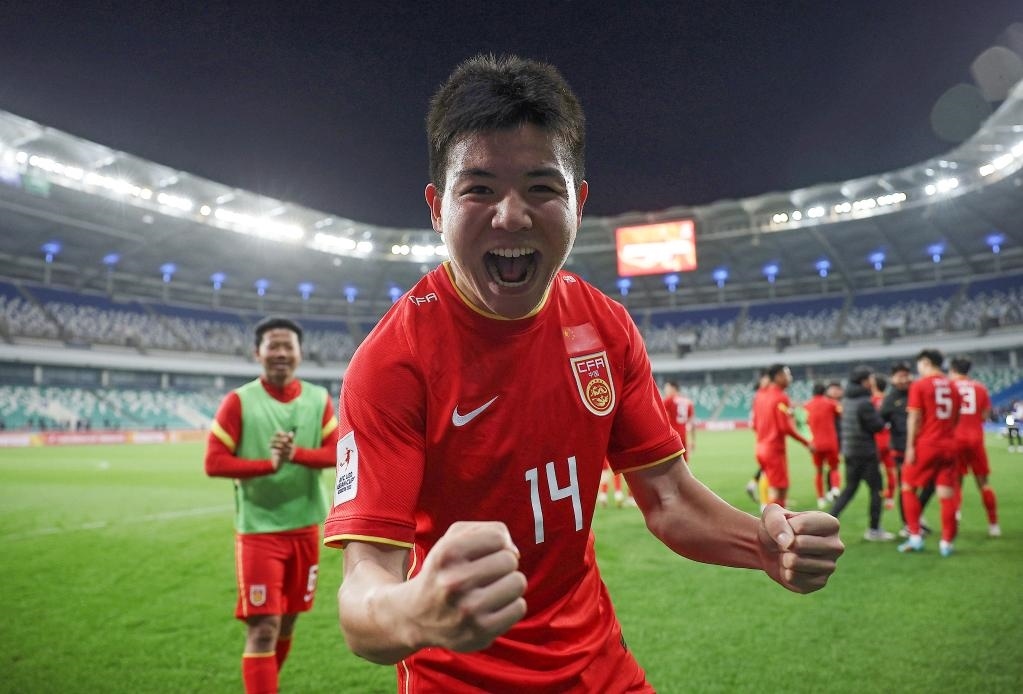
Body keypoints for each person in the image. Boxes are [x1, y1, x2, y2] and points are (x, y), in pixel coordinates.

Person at [322, 55, 843, 692]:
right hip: (461, 680)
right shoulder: (391, 363)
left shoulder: (604, 326)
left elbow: (670, 499)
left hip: (600, 668)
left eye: (541, 187)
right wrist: (414, 610)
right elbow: (363, 593)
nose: (511, 216)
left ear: (579, 202)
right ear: (436, 207)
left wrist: (762, 545)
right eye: (478, 189)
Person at [204, 316, 340, 694]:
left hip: (305, 527)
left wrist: (295, 455)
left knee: (287, 623)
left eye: (287, 346)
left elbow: (338, 453)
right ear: (257, 353)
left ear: (299, 353)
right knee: (263, 628)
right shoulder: (239, 402)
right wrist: (269, 465)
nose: (280, 353)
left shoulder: (318, 399)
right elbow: (214, 462)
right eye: (272, 346)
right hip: (260, 531)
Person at [898, 348, 961, 556]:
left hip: (927, 444)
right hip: (949, 445)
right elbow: (956, 417)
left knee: (908, 487)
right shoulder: (953, 386)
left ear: (925, 362)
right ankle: (947, 543)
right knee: (946, 494)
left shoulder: (920, 385)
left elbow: (914, 418)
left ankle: (915, 537)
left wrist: (910, 447)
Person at [829, 366, 893, 541]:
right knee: (877, 490)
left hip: (850, 451)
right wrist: (884, 417)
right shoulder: (864, 402)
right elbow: (877, 426)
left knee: (849, 489)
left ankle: (827, 520)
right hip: (865, 453)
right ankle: (874, 529)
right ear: (864, 381)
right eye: (870, 378)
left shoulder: (847, 400)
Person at [949, 356, 1000, 537]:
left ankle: (955, 518)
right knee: (984, 483)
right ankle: (993, 525)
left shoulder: (950, 387)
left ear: (953, 369)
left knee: (956, 482)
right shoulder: (980, 387)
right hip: (976, 439)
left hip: (955, 439)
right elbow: (985, 415)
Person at [752, 363, 814, 510]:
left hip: (760, 447)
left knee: (776, 487)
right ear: (779, 376)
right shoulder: (780, 397)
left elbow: (754, 424)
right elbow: (785, 427)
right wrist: (807, 442)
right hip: (774, 449)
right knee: (779, 490)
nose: (790, 378)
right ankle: (774, 522)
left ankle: (775, 517)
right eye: (788, 374)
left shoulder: (760, 395)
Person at [803, 382, 842, 509]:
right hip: (830, 442)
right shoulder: (831, 404)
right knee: (834, 467)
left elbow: (803, 422)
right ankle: (835, 488)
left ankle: (820, 498)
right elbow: (841, 413)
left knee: (819, 471)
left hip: (815, 444)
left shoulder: (807, 405)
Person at [871, 374, 897, 510]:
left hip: (875, 441)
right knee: (891, 471)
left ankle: (878, 497)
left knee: (876, 473)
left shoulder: (870, 401)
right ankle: (890, 499)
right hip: (890, 441)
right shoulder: (890, 400)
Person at [745, 370, 770, 505]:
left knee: (766, 466)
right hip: (766, 437)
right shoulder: (760, 397)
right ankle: (765, 503)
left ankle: (753, 484)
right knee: (767, 468)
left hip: (763, 436)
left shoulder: (759, 396)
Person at [662, 380, 696, 457]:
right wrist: (693, 440)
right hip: (684, 436)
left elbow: (658, 412)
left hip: (672, 437)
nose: (665, 391)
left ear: (673, 388)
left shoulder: (669, 400)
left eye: (667, 388)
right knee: (684, 462)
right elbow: (692, 423)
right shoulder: (688, 402)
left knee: (670, 462)